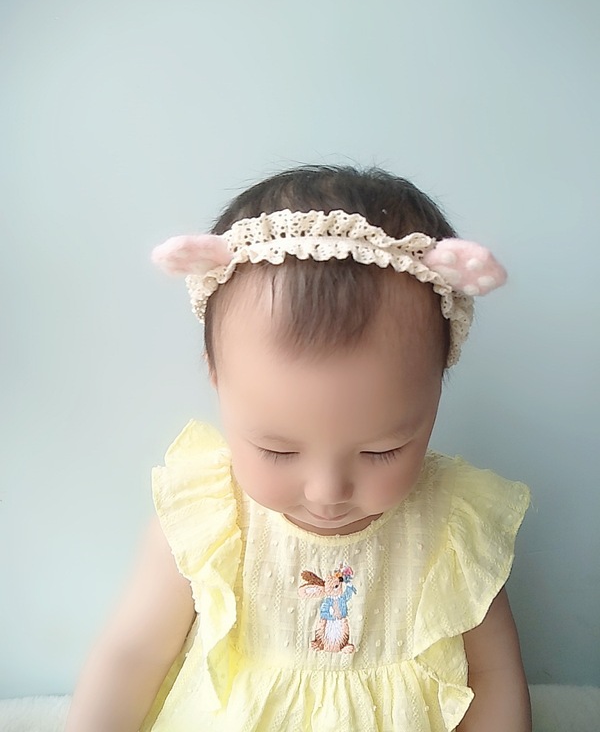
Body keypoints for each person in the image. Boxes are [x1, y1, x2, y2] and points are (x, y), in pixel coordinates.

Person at [65, 165, 531, 732]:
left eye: (382, 451)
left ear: (437, 387)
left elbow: (494, 678)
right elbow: (131, 657)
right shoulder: (207, 519)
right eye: (277, 451)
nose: (327, 492)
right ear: (216, 377)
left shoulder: (454, 527)